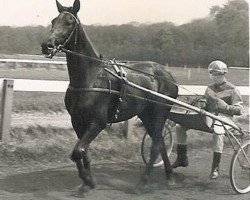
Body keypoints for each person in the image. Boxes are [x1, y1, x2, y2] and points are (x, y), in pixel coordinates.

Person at [172, 60, 243, 179]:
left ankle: (215, 168)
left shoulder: (233, 89)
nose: (214, 78)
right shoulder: (209, 88)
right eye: (213, 75)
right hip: (208, 117)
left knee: (218, 133)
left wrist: (225, 107)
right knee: (179, 127)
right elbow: (206, 105)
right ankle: (181, 158)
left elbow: (239, 110)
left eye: (217, 75)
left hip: (225, 119)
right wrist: (201, 105)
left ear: (223, 74)